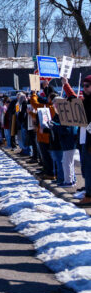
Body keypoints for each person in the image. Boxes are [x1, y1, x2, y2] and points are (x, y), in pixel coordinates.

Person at [60, 75, 91, 204]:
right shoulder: (86, 100)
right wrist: (66, 85)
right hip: (84, 140)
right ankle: (88, 192)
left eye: (87, 86)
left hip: (90, 142)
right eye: (83, 85)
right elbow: (74, 100)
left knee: (88, 169)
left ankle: (89, 196)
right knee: (85, 169)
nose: (84, 88)